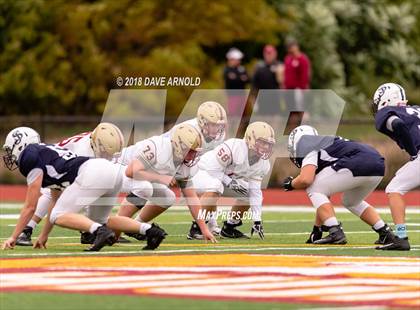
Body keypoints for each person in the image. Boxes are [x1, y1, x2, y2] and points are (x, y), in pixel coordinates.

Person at [2, 127, 166, 251]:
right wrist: (44, 236)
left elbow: (30, 206)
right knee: (102, 220)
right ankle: (150, 231)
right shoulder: (46, 152)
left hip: (91, 172)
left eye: (10, 150)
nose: (10, 155)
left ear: (19, 145)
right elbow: (54, 197)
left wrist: (13, 237)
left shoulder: (29, 157)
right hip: (109, 170)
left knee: (59, 215)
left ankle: (98, 231)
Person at [117, 101, 227, 238]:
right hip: (127, 164)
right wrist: (161, 178)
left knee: (168, 197)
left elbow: (190, 193)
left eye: (220, 125)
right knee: (144, 187)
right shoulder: (176, 140)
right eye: (214, 124)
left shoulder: (190, 155)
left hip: (159, 167)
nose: (218, 129)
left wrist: (204, 228)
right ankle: (114, 228)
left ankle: (135, 226)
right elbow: (132, 170)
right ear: (203, 122)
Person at [14, 123, 126, 246]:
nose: (108, 156)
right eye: (106, 152)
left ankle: (93, 229)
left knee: (59, 200)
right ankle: (27, 229)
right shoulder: (84, 150)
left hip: (66, 165)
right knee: (51, 195)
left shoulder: (97, 139)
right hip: (56, 165)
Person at [282, 125, 395, 245]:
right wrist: (317, 229)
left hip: (358, 162)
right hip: (377, 164)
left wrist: (291, 184)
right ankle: (385, 232)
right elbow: (323, 196)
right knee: (351, 202)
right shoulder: (324, 143)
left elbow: (306, 179)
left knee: (314, 188)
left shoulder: (308, 144)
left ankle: (335, 231)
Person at [187, 122, 275, 240]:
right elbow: (213, 170)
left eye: (268, 144)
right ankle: (196, 228)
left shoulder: (264, 164)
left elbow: (255, 192)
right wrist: (230, 182)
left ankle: (229, 227)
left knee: (249, 192)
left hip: (221, 178)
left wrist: (257, 220)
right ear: (250, 138)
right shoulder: (233, 147)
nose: (266, 147)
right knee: (216, 186)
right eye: (263, 142)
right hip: (200, 172)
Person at [372, 83, 420, 251]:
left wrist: (413, 152)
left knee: (394, 189)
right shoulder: (416, 109)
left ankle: (401, 237)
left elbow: (397, 124)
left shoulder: (387, 113)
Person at [283, 40, 311, 128]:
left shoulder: (303, 59)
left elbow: (305, 76)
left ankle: (306, 129)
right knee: (291, 112)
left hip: (298, 90)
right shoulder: (288, 59)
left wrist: (303, 89)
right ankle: (293, 131)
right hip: (289, 90)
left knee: (302, 110)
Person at [251, 45, 282, 115]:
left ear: (275, 54)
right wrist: (254, 101)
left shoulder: (279, 66)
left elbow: (282, 84)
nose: (269, 56)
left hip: (275, 98)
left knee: (275, 118)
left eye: (270, 53)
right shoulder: (259, 67)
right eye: (267, 53)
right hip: (263, 99)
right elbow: (254, 86)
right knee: (264, 120)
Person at [223, 48, 249, 117]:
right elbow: (233, 80)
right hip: (232, 96)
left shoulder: (241, 68)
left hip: (242, 96)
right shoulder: (227, 70)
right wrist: (240, 78)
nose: (238, 61)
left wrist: (237, 78)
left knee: (243, 116)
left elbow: (247, 79)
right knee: (232, 115)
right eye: (236, 59)